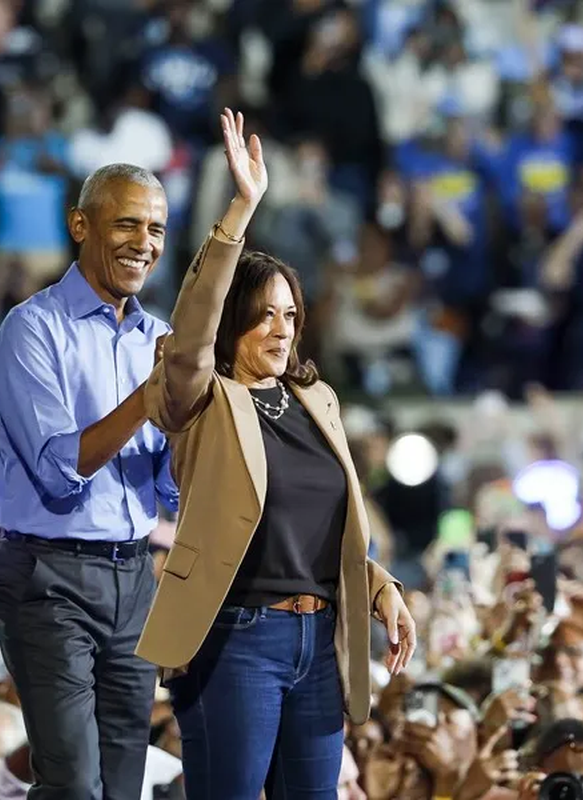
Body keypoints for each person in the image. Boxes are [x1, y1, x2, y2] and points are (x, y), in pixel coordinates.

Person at [135, 108, 417, 799]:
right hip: (235, 638)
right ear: (234, 322)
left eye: (290, 314)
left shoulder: (317, 404)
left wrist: (382, 589)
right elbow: (194, 325)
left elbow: (322, 533)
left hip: (319, 640)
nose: (281, 329)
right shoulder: (200, 398)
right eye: (263, 314)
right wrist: (240, 209)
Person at [0, 159, 180, 800]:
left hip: (134, 577)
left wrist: (185, 424)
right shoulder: (31, 330)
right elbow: (58, 469)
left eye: (155, 228)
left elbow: (171, 491)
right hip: (48, 579)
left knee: (123, 786)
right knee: (73, 786)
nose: (143, 242)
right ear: (79, 225)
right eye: (126, 223)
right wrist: (148, 399)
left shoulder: (161, 339)